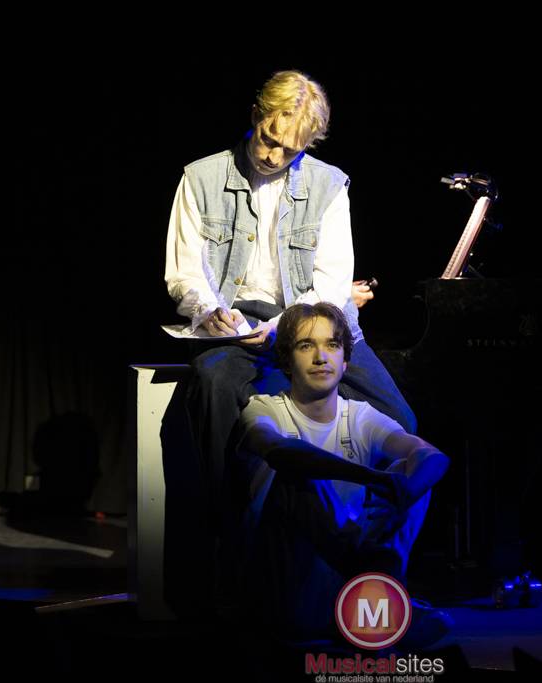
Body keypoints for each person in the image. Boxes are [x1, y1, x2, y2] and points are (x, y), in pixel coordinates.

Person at [163, 70, 416, 548]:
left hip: (312, 320)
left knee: (400, 418)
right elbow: (184, 272)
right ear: (255, 116)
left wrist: (285, 326)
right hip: (235, 322)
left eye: (290, 151)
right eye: (268, 140)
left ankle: (363, 545)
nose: (274, 157)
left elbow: (330, 285)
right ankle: (229, 533)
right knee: (214, 385)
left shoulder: (329, 185)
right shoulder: (201, 177)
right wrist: (209, 309)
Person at [232, 302, 450, 641]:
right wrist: (371, 478)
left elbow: (434, 457)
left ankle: (369, 594)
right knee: (297, 475)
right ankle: (375, 580)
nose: (321, 357)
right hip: (288, 588)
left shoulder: (358, 416)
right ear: (287, 361)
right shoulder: (263, 409)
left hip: (344, 585)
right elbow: (280, 452)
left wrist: (403, 488)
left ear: (345, 360)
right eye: (306, 345)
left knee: (412, 472)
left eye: (332, 345)